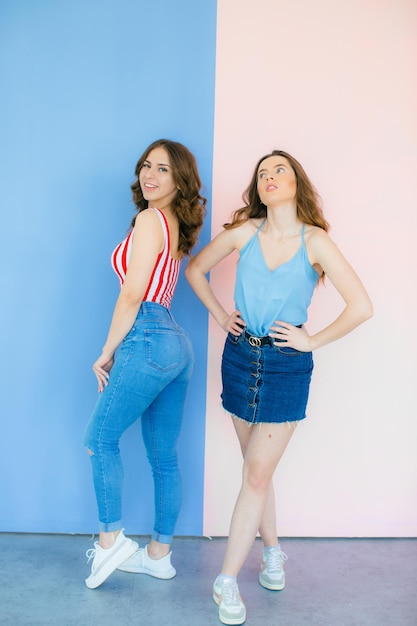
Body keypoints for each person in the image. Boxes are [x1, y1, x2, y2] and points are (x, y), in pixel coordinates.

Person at [185, 149, 373, 625]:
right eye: (262, 173)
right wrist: (222, 314)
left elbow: (361, 306)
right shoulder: (245, 233)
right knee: (257, 472)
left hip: (288, 364)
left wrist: (311, 340)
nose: (269, 177)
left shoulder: (316, 242)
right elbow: (195, 270)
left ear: (296, 183)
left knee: (255, 475)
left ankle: (225, 581)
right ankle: (272, 552)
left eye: (279, 170)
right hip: (240, 356)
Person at [83, 139, 206, 590]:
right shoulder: (175, 223)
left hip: (149, 335)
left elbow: (133, 294)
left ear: (180, 181)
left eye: (163, 170)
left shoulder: (149, 219)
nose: (149, 176)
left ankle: (111, 540)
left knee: (99, 437)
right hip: (177, 344)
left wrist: (107, 349)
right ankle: (159, 556)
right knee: (163, 457)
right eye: (146, 166)